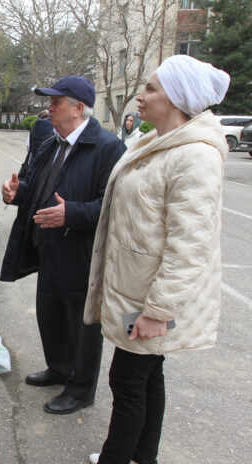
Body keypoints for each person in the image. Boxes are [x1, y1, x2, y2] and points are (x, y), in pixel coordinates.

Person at [85, 55, 229, 464]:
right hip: (136, 287)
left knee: (128, 380)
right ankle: (143, 457)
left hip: (148, 297)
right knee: (147, 377)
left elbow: (190, 246)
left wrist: (158, 311)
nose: (140, 96)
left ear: (177, 98)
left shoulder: (195, 156)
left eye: (151, 89)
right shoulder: (154, 143)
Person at [0, 75, 124, 414]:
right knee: (50, 314)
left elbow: (114, 205)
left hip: (81, 253)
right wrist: (16, 192)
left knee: (82, 325)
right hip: (48, 247)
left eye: (56, 103)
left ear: (78, 108)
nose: (49, 108)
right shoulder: (50, 144)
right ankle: (59, 368)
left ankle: (81, 389)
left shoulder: (108, 148)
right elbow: (34, 187)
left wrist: (72, 213)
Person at [22, 109, 55, 178]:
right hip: (47, 162)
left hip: (34, 159)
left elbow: (29, 146)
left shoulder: (33, 128)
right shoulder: (54, 129)